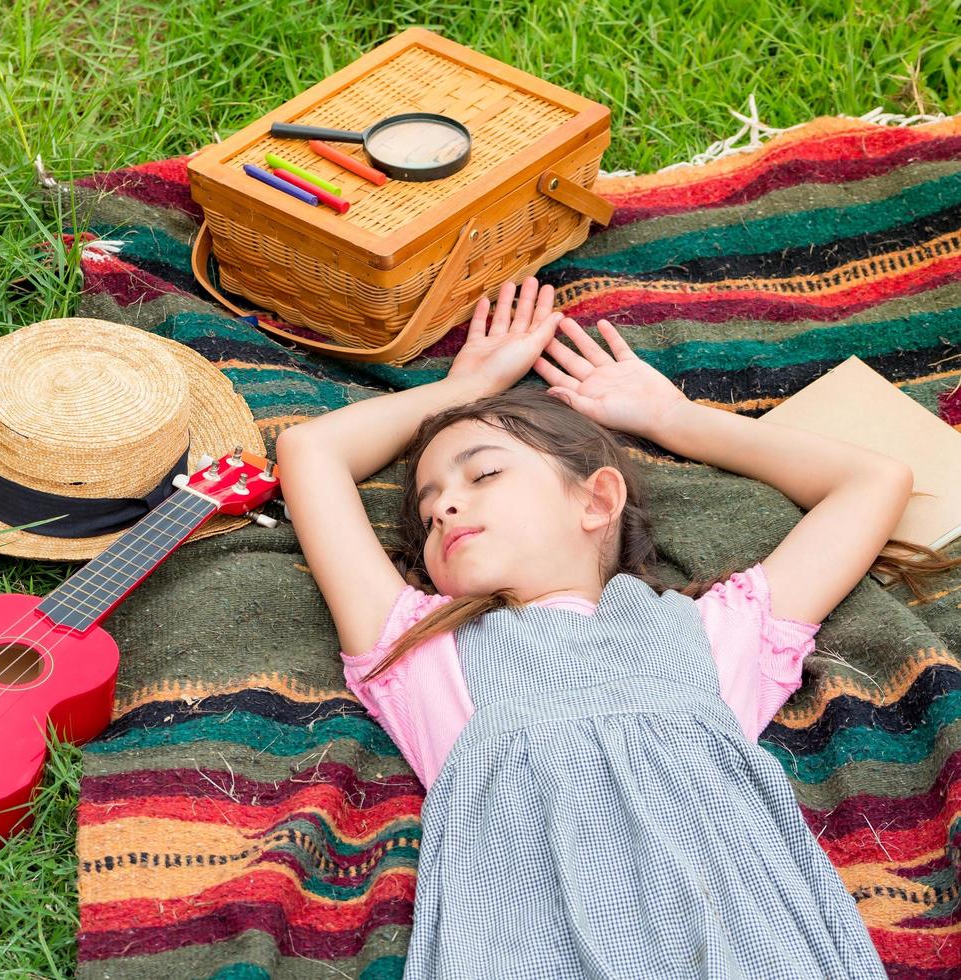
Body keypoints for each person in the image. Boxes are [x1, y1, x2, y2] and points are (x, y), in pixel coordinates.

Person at [275, 278, 908, 977]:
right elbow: (308, 452)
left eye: (481, 474)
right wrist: (462, 390)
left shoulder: (711, 635)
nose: (447, 507)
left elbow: (872, 483)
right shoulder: (421, 650)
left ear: (596, 499)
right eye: (428, 514)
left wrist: (671, 416)